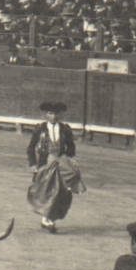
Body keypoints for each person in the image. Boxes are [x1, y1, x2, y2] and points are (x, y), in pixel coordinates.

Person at [26, 100, 83, 233]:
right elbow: (31, 148)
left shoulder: (65, 129)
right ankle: (46, 219)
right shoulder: (39, 129)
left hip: (61, 163)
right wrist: (33, 164)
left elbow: (71, 147)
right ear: (46, 114)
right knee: (46, 191)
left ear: (60, 115)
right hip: (45, 163)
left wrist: (70, 160)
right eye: (50, 113)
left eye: (56, 113)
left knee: (60, 192)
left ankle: (48, 219)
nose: (53, 116)